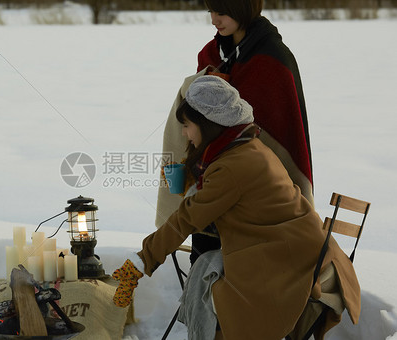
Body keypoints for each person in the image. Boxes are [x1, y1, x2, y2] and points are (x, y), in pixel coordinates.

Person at [113, 76, 360, 340]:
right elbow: (233, 199)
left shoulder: (231, 166)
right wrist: (189, 177)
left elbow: (185, 219)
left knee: (221, 295)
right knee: (209, 270)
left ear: (207, 125)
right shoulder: (247, 146)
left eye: (186, 125)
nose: (184, 133)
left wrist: (140, 263)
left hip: (291, 264)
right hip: (303, 250)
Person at [155, 0, 313, 264]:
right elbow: (197, 113)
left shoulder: (273, 58)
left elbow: (280, 128)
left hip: (252, 192)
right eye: (211, 12)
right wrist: (204, 80)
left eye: (222, 12)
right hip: (209, 176)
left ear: (243, 9)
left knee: (233, 265)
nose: (214, 20)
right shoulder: (212, 53)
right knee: (202, 258)